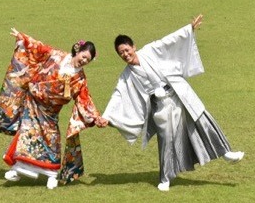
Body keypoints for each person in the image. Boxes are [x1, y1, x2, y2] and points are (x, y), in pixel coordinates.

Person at [102, 14, 244, 191]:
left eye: (126, 50)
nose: (125, 54)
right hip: (160, 104)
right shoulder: (126, 75)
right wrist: (107, 117)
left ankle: (226, 152)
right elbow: (118, 94)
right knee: (166, 138)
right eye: (121, 53)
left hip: (178, 91)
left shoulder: (150, 50)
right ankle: (165, 178)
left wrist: (189, 29)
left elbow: (168, 41)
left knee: (201, 119)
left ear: (133, 46)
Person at [0, 28, 108, 189]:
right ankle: (18, 169)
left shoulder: (80, 80)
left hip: (51, 111)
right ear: (78, 51)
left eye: (88, 60)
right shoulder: (56, 55)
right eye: (84, 56)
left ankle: (51, 173)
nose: (84, 61)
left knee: (51, 139)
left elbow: (85, 100)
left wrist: (96, 117)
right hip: (34, 103)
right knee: (27, 133)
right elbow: (38, 48)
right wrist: (22, 38)